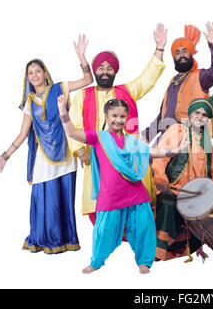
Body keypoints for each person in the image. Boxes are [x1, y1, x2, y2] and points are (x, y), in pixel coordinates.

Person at [57, 95, 189, 274]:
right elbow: (72, 133)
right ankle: (96, 261)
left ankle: (144, 261)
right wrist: (63, 112)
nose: (118, 120)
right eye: (114, 116)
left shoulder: (132, 141)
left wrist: (174, 151)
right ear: (106, 116)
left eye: (122, 117)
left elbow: (151, 152)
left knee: (144, 228)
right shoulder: (99, 137)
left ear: (127, 118)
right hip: (110, 195)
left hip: (135, 194)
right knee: (103, 232)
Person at [0, 35, 93, 254]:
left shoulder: (60, 88)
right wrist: (5, 156)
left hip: (65, 153)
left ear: (45, 73)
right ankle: (42, 239)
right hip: (42, 156)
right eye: (31, 72)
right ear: (27, 78)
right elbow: (22, 134)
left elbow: (87, 81)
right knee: (42, 199)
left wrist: (82, 58)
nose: (35, 75)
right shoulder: (29, 102)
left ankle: (65, 240)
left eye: (38, 70)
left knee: (64, 199)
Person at [68, 24, 167, 225]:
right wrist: (80, 151)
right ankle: (106, 240)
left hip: (126, 156)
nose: (105, 71)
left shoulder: (127, 90)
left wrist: (159, 48)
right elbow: (73, 124)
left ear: (115, 71)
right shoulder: (83, 96)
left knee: (134, 201)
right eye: (101, 68)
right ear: (95, 71)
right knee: (101, 206)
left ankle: (135, 235)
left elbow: (148, 78)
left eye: (109, 68)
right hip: (97, 158)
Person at [151, 96, 213, 261]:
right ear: (190, 115)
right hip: (172, 188)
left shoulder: (207, 142)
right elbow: (160, 158)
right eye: (197, 113)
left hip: (193, 193)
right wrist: (160, 181)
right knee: (168, 202)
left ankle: (189, 247)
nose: (200, 117)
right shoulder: (178, 130)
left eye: (204, 115)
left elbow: (212, 171)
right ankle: (158, 251)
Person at [142, 22, 213, 144]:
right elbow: (163, 115)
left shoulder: (200, 76)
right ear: (174, 57)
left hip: (190, 138)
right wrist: (147, 135)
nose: (181, 55)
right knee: (150, 160)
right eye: (177, 52)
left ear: (191, 54)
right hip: (167, 138)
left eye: (185, 51)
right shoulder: (172, 81)